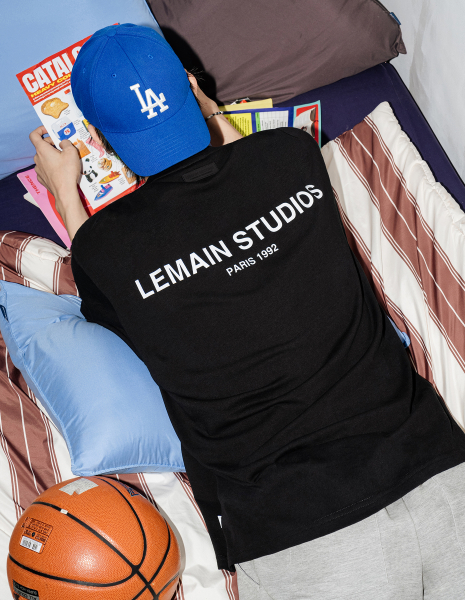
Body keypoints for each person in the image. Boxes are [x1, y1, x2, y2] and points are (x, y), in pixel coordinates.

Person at [30, 24, 465, 600]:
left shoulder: (103, 250)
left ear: (97, 140)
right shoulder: (292, 155)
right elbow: (251, 172)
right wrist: (212, 116)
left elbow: (116, 318)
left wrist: (64, 191)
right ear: (193, 88)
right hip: (435, 468)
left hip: (299, 528)